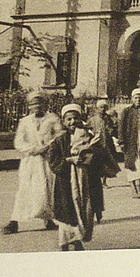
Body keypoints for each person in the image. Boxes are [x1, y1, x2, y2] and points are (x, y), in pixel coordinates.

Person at [2, 92, 61, 235]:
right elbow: (19, 142)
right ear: (29, 106)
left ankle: (48, 219)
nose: (37, 107)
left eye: (40, 104)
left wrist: (48, 146)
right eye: (33, 104)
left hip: (47, 159)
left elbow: (59, 136)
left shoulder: (52, 119)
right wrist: (34, 149)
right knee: (25, 189)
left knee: (46, 188)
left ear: (45, 104)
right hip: (30, 160)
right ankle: (14, 221)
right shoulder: (25, 122)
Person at [48, 104, 100, 251]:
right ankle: (66, 242)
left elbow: (97, 155)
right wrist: (69, 161)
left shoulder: (88, 136)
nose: (72, 122)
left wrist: (88, 158)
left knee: (84, 209)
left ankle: (78, 238)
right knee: (67, 211)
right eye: (68, 119)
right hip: (66, 182)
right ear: (64, 122)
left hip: (85, 180)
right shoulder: (59, 140)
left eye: (75, 118)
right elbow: (53, 161)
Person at [116, 88, 140, 199]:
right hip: (130, 141)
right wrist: (121, 141)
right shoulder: (126, 111)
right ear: (132, 99)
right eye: (136, 98)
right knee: (133, 164)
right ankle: (134, 188)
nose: (138, 100)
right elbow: (121, 128)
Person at [88, 99, 120, 219]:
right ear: (97, 108)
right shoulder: (92, 119)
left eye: (104, 107)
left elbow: (113, 127)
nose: (102, 109)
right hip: (97, 143)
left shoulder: (108, 118)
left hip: (107, 142)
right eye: (101, 107)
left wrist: (111, 130)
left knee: (107, 160)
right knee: (98, 162)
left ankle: (104, 181)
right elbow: (88, 128)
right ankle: (100, 179)